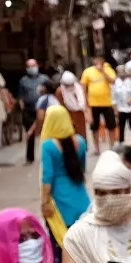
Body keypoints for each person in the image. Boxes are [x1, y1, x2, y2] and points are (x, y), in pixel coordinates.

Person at [38, 102, 89, 249]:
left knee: (61, 248)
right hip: (82, 201)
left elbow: (47, 177)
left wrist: (45, 203)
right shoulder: (80, 141)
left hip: (60, 203)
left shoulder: (48, 146)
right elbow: (82, 168)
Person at [80, 53, 118, 147]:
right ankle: (97, 147)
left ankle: (112, 146)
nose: (98, 62)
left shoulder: (108, 70)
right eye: (97, 59)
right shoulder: (87, 72)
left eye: (100, 60)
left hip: (107, 102)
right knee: (94, 127)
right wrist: (86, 103)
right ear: (94, 61)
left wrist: (103, 72)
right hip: (93, 103)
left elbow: (113, 81)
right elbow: (83, 87)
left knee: (111, 126)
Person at [17, 58, 48, 163]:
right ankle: (30, 157)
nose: (31, 68)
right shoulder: (23, 81)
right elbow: (20, 97)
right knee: (30, 133)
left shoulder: (44, 79)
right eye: (29, 66)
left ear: (37, 66)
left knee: (46, 132)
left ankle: (47, 155)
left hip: (43, 109)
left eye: (33, 65)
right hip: (29, 110)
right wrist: (23, 110)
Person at [112, 64, 131, 143]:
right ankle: (121, 141)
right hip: (121, 108)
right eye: (119, 71)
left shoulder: (130, 82)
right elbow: (113, 97)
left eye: (123, 71)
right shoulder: (116, 83)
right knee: (121, 125)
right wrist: (115, 108)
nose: (121, 73)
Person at [56, 69, 88, 141]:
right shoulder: (60, 92)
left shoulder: (78, 88)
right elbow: (61, 107)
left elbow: (82, 102)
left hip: (80, 116)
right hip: (68, 116)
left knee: (82, 136)